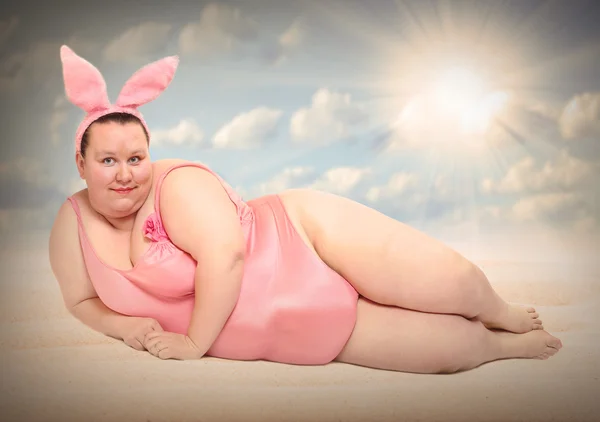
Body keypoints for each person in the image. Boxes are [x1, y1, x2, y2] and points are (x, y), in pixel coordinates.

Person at [49, 45, 562, 375]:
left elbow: (226, 256)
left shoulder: (173, 186)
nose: (124, 174)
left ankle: (500, 311)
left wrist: (193, 344)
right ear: (81, 162)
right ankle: (499, 348)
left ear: (150, 155)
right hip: (289, 320)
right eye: (108, 160)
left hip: (301, 239)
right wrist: (124, 327)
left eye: (135, 158)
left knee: (451, 283)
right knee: (441, 353)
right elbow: (79, 301)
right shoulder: (70, 225)